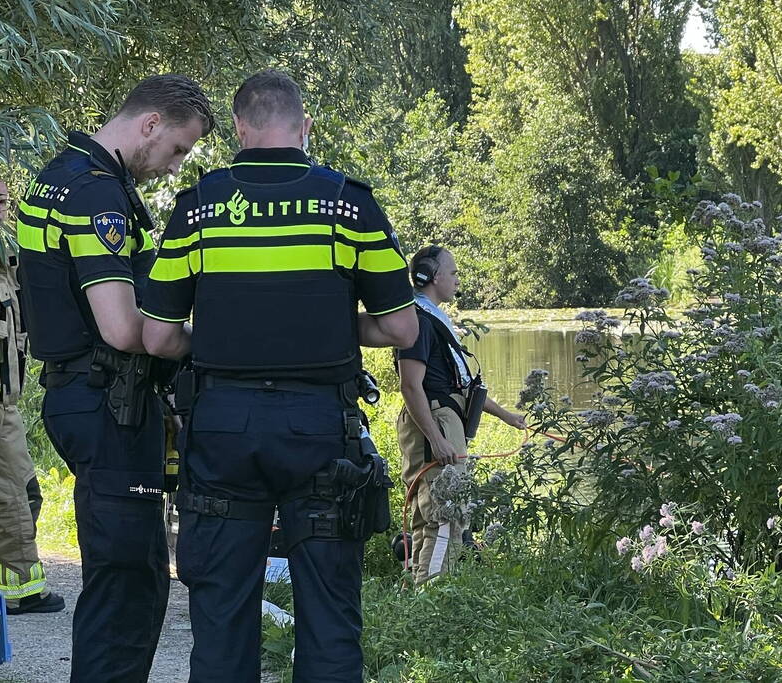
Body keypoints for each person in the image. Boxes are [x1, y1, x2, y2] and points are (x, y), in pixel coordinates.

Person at [142, 68, 418, 682]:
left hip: (222, 431)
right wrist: (322, 331)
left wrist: (219, 340)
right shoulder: (349, 206)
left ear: (239, 128)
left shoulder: (199, 208)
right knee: (330, 618)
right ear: (306, 127)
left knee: (220, 618)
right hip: (321, 432)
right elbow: (402, 330)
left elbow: (158, 337)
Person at [15, 74, 213, 681]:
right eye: (178, 148)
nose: (174, 165)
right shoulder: (97, 194)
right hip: (108, 401)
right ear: (151, 124)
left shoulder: (54, 176)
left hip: (79, 395)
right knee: (128, 582)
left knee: (124, 573)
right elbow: (124, 330)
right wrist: (200, 345)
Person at [396, 245, 526, 585]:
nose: (457, 279)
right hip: (436, 423)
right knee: (445, 516)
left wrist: (507, 416)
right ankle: (432, 596)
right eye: (452, 273)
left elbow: (464, 385)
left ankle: (419, 592)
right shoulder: (420, 322)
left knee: (432, 518)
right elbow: (411, 386)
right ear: (433, 277)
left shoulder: (429, 319)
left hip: (443, 420)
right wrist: (437, 439)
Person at [0, 178, 65, 615]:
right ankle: (23, 588)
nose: (4, 201)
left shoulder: (4, 255)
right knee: (14, 491)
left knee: (20, 488)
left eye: (4, 195)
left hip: (6, 400)